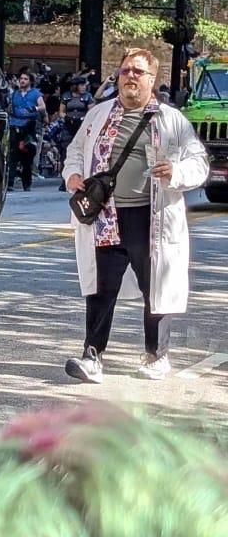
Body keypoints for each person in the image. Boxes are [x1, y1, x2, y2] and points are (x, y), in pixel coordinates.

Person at [62, 48, 208, 383]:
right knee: (101, 287)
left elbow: (199, 163)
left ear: (152, 79)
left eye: (138, 72)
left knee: (155, 287)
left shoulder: (171, 120)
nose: (129, 76)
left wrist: (176, 170)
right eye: (125, 70)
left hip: (150, 219)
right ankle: (92, 356)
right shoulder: (98, 115)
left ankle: (156, 355)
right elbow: (75, 151)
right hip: (106, 217)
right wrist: (72, 176)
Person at [6, 69, 47, 191]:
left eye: (25, 79)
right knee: (13, 154)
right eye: (21, 79)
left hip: (29, 126)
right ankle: (10, 183)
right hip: (15, 124)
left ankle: (26, 183)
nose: (22, 81)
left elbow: (42, 106)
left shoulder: (35, 93)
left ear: (30, 81)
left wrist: (34, 109)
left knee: (27, 156)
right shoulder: (14, 94)